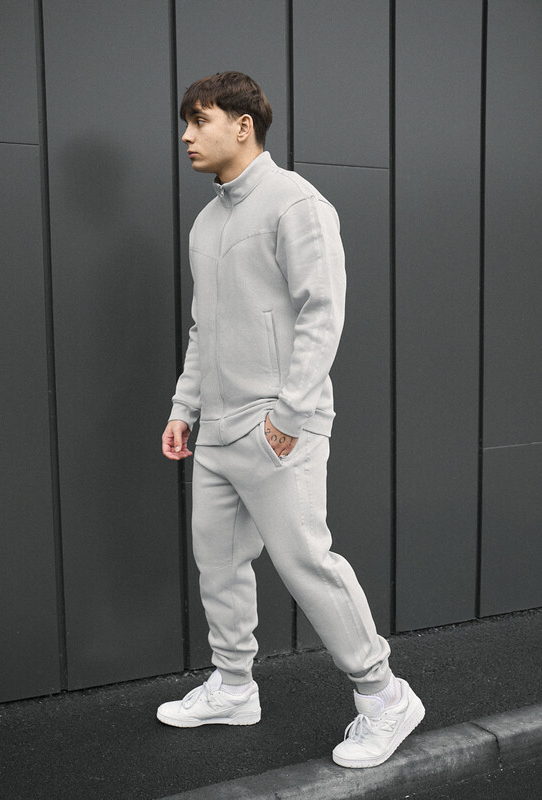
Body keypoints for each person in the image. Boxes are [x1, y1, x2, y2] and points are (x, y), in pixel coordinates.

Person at [157, 71, 424, 768]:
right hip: (217, 427)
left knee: (305, 560)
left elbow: (322, 311)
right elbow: (204, 328)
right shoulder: (207, 222)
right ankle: (233, 687)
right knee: (218, 563)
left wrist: (291, 411)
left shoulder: (295, 202)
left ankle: (384, 695)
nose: (186, 136)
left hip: (277, 423)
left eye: (199, 120)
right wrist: (185, 407)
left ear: (242, 125)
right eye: (187, 122)